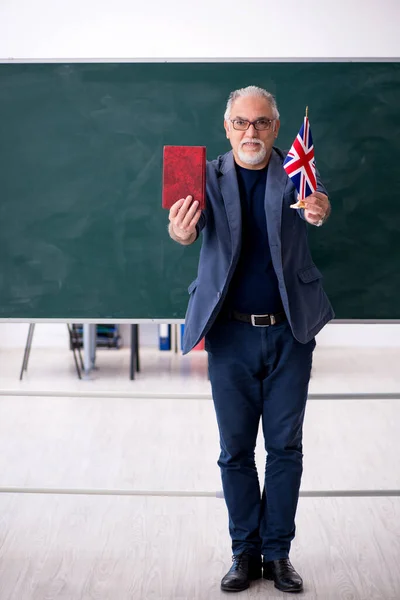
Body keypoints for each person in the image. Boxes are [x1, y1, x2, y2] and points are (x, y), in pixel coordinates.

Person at [168, 85, 334, 594]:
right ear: (227, 128)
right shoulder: (204, 175)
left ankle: (278, 554)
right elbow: (186, 230)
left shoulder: (297, 172)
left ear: (276, 129)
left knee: (285, 448)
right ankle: (244, 553)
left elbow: (317, 203)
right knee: (234, 451)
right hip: (230, 335)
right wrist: (181, 233)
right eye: (241, 123)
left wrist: (318, 208)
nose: (251, 133)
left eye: (261, 123)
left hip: (289, 332)